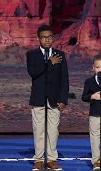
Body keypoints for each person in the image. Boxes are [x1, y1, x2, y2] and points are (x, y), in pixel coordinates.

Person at [26, 24, 69, 171]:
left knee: (53, 130)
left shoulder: (60, 55)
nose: (47, 40)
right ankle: (38, 160)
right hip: (38, 98)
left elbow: (65, 79)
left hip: (55, 100)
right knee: (39, 130)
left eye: (50, 37)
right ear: (38, 38)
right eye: (44, 37)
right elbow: (34, 73)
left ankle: (51, 159)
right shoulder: (32, 55)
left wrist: (63, 99)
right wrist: (49, 63)